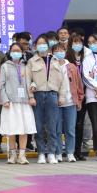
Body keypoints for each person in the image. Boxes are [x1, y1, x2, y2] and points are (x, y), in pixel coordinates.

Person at [27, 34, 68, 164]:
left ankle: (51, 153)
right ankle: (41, 153)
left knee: (52, 126)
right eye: (39, 44)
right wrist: (31, 96)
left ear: (48, 45)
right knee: (38, 126)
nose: (42, 46)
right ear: (35, 46)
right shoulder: (32, 61)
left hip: (52, 95)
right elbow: (28, 80)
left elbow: (63, 81)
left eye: (44, 43)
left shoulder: (56, 60)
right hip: (38, 95)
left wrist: (62, 96)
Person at [0, 43, 35, 164]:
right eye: (13, 50)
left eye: (18, 50)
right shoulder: (5, 66)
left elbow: (31, 81)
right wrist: (5, 100)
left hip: (24, 102)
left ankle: (22, 155)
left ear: (22, 52)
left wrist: (32, 93)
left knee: (24, 130)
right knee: (11, 130)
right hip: (10, 103)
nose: (16, 52)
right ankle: (13, 155)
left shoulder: (26, 66)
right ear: (9, 52)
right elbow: (1, 85)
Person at [55, 43, 81, 162]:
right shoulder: (51, 66)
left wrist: (79, 99)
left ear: (65, 52)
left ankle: (70, 152)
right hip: (56, 103)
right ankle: (58, 153)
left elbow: (78, 84)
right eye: (56, 50)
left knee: (70, 130)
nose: (59, 52)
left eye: (61, 50)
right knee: (57, 130)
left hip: (70, 102)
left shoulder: (71, 66)